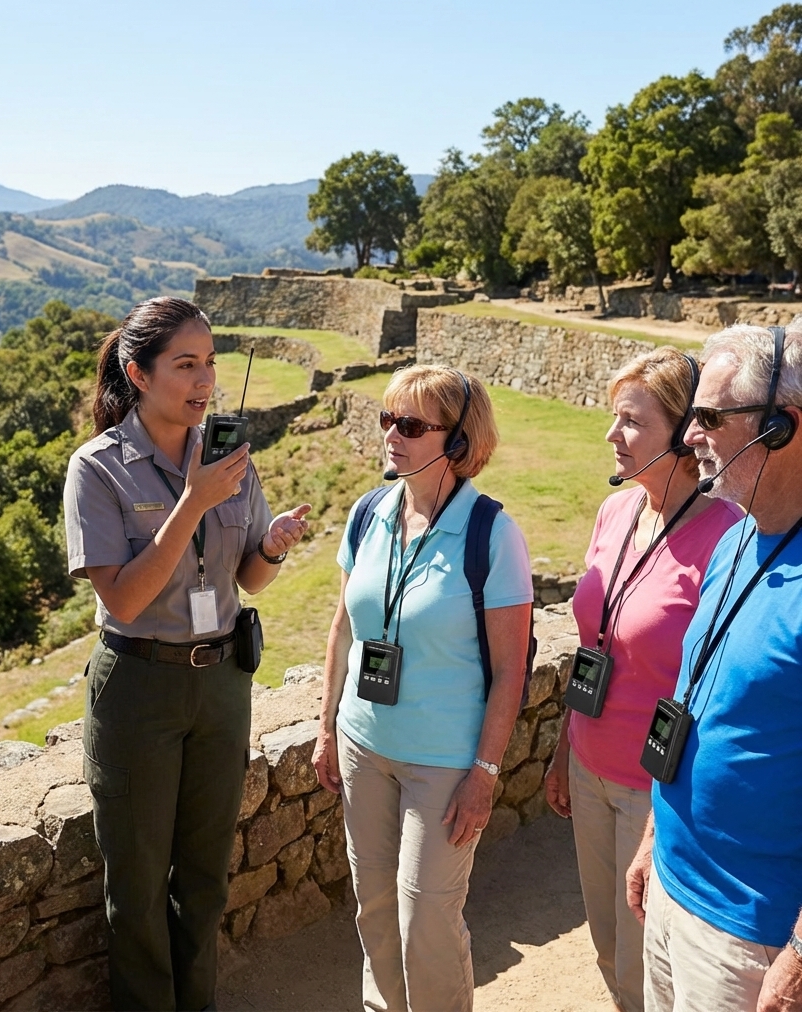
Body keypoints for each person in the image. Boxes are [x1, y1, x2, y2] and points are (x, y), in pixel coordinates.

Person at [63, 296, 311, 1011]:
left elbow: (247, 578)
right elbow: (123, 601)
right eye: (185, 365)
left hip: (223, 684)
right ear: (138, 374)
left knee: (204, 880)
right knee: (137, 890)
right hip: (140, 687)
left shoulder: (231, 457)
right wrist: (194, 501)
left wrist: (272, 545)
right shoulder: (99, 469)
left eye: (210, 364)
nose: (205, 381)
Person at [312, 364, 534, 1012]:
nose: (391, 435)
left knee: (426, 922)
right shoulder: (368, 513)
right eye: (387, 419)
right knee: (375, 910)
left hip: (443, 765)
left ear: (459, 443)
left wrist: (485, 774)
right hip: (363, 747)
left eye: (409, 425)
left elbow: (512, 669)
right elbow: (343, 629)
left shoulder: (492, 534)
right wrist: (327, 727)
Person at [542, 347, 742, 1012]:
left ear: (686, 434)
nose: (611, 435)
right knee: (608, 949)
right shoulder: (616, 513)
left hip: (659, 793)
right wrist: (564, 748)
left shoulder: (729, 537)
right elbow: (595, 645)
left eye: (631, 421)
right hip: (589, 768)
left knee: (649, 966)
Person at [626, 322, 802, 1012]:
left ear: (781, 428)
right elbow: (693, 702)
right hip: (674, 888)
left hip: (750, 936)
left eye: (707, 418)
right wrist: (652, 839)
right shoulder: (735, 536)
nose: (690, 435)